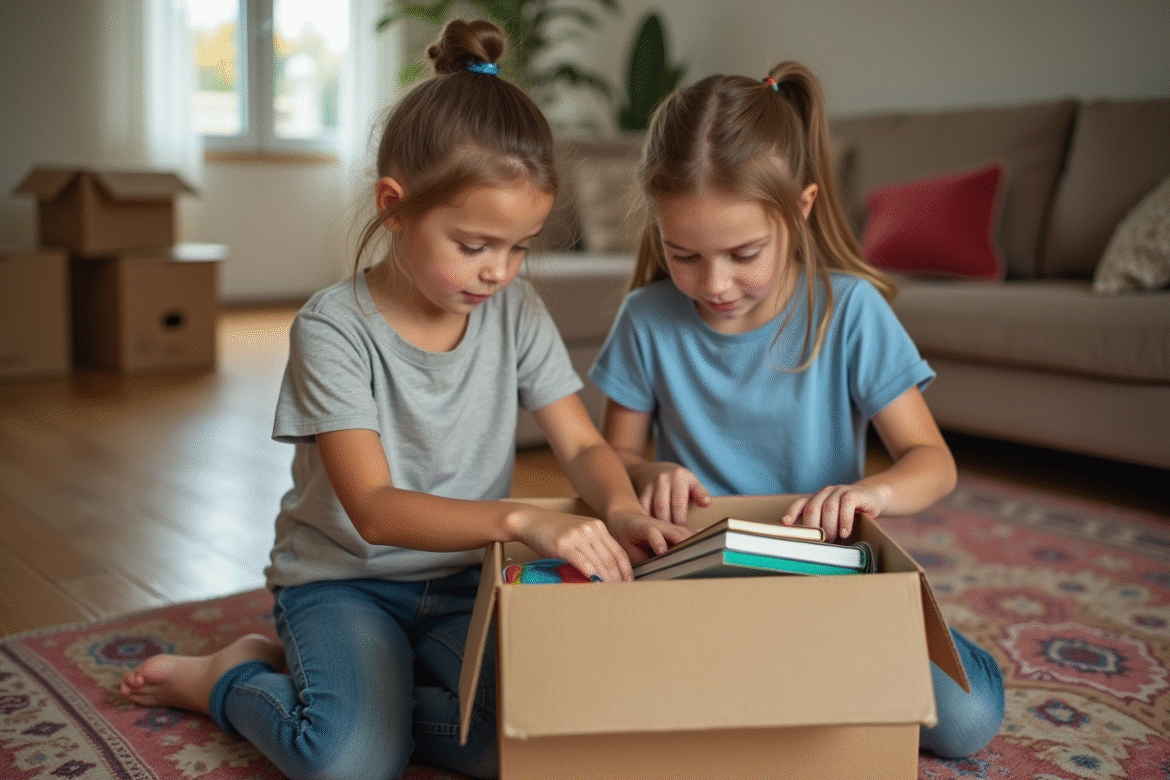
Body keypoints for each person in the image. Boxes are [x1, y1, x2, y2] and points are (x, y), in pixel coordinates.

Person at [120, 20, 688, 780]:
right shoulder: (332, 327)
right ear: (395, 206)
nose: (499, 273)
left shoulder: (516, 312)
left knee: (531, 736)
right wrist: (524, 518)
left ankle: (366, 693)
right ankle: (234, 675)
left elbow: (582, 446)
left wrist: (619, 508)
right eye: (474, 244)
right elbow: (376, 509)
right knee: (349, 761)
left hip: (462, 579)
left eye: (519, 247)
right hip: (343, 582)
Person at [589, 61, 1005, 759]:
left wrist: (871, 492)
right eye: (683, 254)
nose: (713, 284)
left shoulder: (852, 313)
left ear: (801, 208)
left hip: (822, 575)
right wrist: (648, 469)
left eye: (743, 253)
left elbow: (933, 463)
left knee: (967, 721)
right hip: (694, 576)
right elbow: (612, 459)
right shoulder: (646, 319)